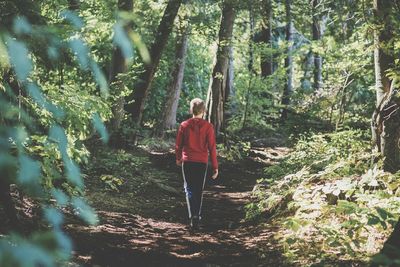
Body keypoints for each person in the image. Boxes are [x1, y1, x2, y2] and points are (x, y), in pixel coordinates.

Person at [175, 98, 218, 230]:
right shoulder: (208, 126)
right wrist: (215, 166)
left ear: (191, 110)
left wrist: (178, 158)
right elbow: (212, 148)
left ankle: (192, 215)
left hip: (187, 161)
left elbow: (178, 145)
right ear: (203, 111)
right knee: (198, 189)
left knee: (189, 188)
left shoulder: (184, 125)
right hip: (201, 162)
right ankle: (196, 216)